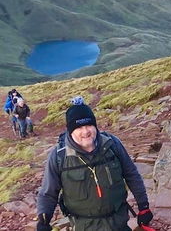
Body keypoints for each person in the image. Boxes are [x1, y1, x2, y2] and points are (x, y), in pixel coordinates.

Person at [36, 97, 153, 230]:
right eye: (79, 127)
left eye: (89, 125)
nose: (85, 131)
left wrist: (143, 206)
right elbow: (48, 193)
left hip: (118, 222)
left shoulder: (112, 144)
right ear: (70, 130)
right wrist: (43, 221)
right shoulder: (59, 156)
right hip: (84, 226)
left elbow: (132, 175)